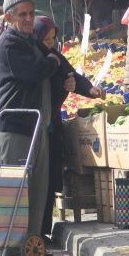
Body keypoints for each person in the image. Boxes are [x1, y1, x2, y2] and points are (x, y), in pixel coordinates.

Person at [0, 0, 60, 256]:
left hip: (36, 125)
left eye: (32, 13)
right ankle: (9, 248)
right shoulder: (8, 43)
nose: (29, 18)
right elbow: (36, 71)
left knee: (36, 188)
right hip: (17, 125)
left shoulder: (30, 41)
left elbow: (53, 66)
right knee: (15, 190)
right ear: (9, 17)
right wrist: (52, 60)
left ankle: (30, 246)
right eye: (23, 14)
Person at [34, 16, 102, 242]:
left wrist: (89, 89)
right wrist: (64, 86)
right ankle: (35, 231)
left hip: (52, 124)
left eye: (53, 38)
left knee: (52, 177)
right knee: (38, 179)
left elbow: (70, 74)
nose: (50, 43)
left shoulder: (54, 56)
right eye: (45, 39)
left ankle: (43, 229)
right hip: (35, 126)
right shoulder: (33, 56)